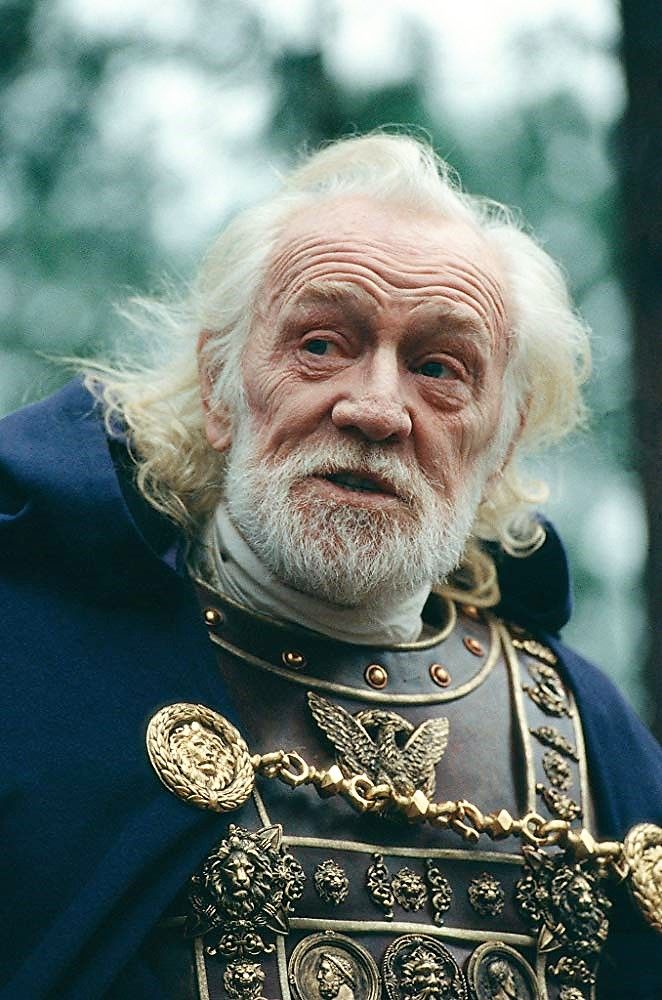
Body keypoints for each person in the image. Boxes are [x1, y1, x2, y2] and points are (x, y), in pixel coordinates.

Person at [0, 133, 660, 1000]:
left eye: (439, 368)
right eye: (320, 345)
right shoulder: (26, 667)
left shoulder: (587, 729)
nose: (377, 409)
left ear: (500, 444)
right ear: (219, 389)